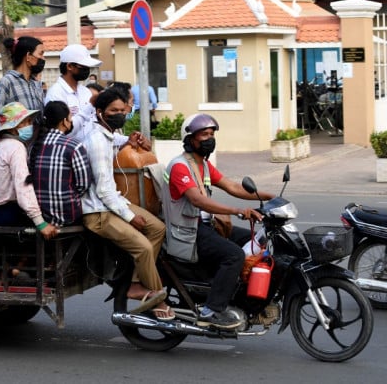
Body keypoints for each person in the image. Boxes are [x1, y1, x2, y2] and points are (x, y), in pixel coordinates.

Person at [164, 113, 274, 329]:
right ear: (190, 138)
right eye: (204, 134)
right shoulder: (179, 166)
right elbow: (198, 200)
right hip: (188, 230)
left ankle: (235, 292)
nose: (209, 138)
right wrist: (238, 210)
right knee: (233, 255)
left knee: (254, 239)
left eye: (212, 134)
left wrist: (269, 197)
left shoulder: (203, 165)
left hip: (205, 226)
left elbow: (232, 187)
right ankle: (211, 310)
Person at [81, 88, 173, 320]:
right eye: (114, 110)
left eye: (123, 110)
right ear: (100, 112)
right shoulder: (97, 141)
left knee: (158, 228)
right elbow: (103, 190)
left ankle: (134, 283)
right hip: (98, 212)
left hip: (112, 201)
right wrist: (130, 217)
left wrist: (130, 139)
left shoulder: (107, 134)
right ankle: (158, 299)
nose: (120, 114)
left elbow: (116, 140)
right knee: (142, 246)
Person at [0, 102, 58, 240]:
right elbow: (23, 186)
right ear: (14, 128)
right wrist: (41, 223)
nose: (30, 124)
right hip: (1, 212)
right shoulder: (16, 147)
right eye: (25, 122)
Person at [30, 101, 92, 227]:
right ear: (64, 121)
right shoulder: (74, 146)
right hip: (67, 216)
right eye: (70, 118)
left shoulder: (34, 147)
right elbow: (83, 185)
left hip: (39, 216)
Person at [0, 36, 46, 139]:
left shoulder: (36, 84)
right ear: (28, 56)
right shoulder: (7, 82)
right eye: (41, 54)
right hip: (15, 148)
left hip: (35, 149)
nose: (43, 58)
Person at [45, 44, 102, 142]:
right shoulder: (56, 94)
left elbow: (93, 125)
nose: (87, 70)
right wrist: (90, 106)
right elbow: (63, 130)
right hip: (68, 153)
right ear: (70, 66)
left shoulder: (85, 92)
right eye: (84, 67)